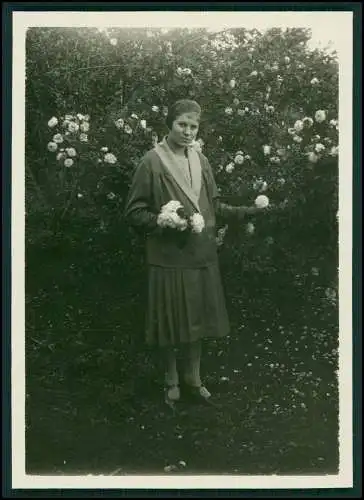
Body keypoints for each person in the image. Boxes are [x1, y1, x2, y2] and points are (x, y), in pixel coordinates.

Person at [124, 99, 267, 407]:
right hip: (168, 256)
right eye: (182, 125)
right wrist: (163, 220)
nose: (188, 132)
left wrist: (245, 213)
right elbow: (134, 213)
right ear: (170, 124)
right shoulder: (152, 161)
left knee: (197, 321)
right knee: (170, 321)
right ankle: (171, 378)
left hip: (200, 255)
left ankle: (194, 378)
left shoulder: (201, 161)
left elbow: (212, 206)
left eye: (193, 126)